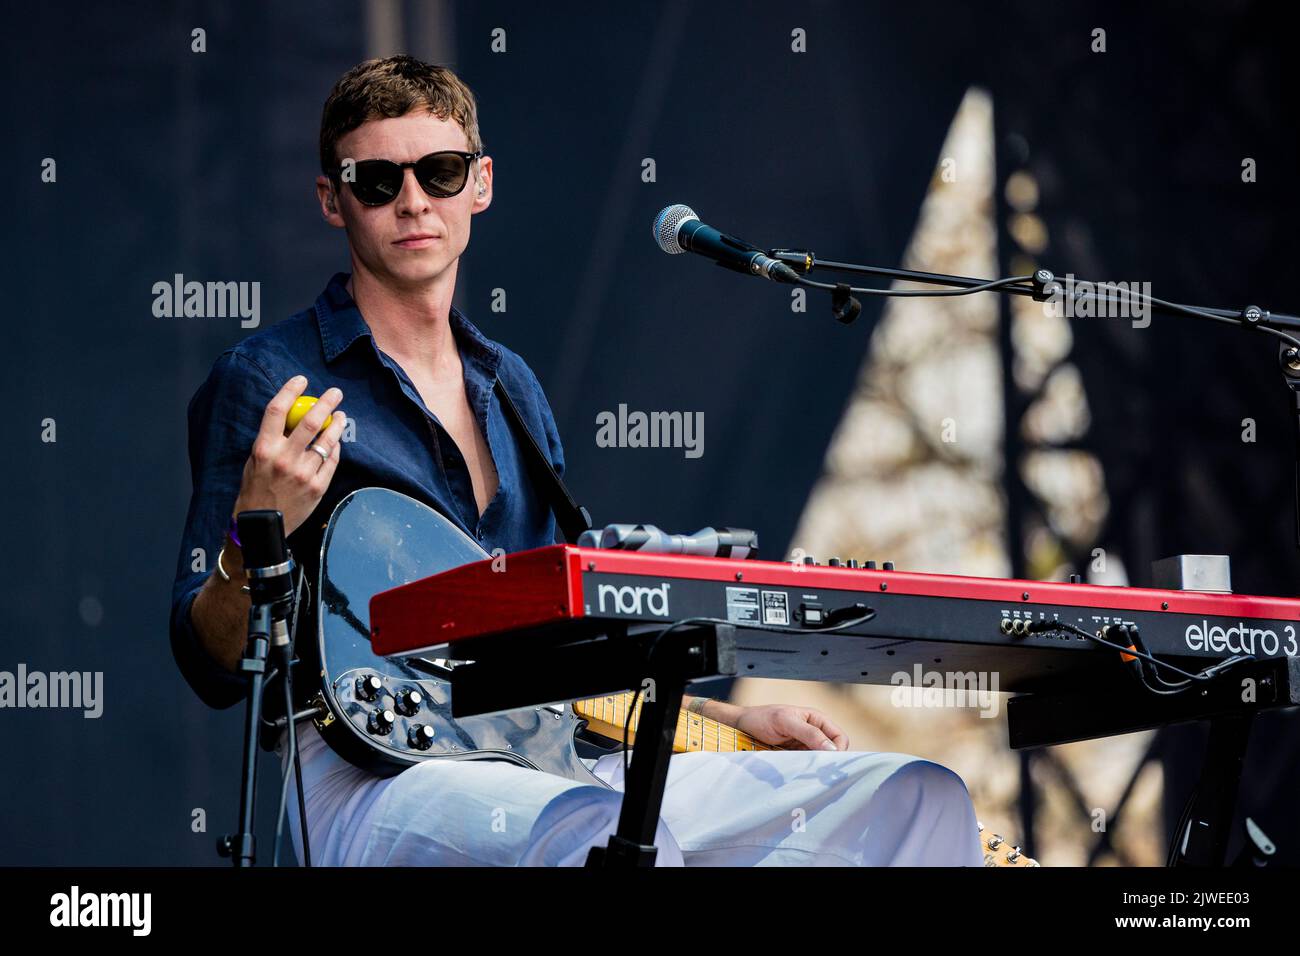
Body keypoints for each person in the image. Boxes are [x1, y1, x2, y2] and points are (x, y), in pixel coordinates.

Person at [169, 54, 983, 867]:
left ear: (480, 184)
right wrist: (253, 534)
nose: (413, 200)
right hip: (374, 773)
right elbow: (211, 663)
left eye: (440, 172)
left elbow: (554, 656)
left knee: (914, 795)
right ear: (331, 199)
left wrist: (728, 726)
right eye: (377, 180)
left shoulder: (510, 386)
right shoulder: (271, 379)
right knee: (605, 830)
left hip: (548, 750)